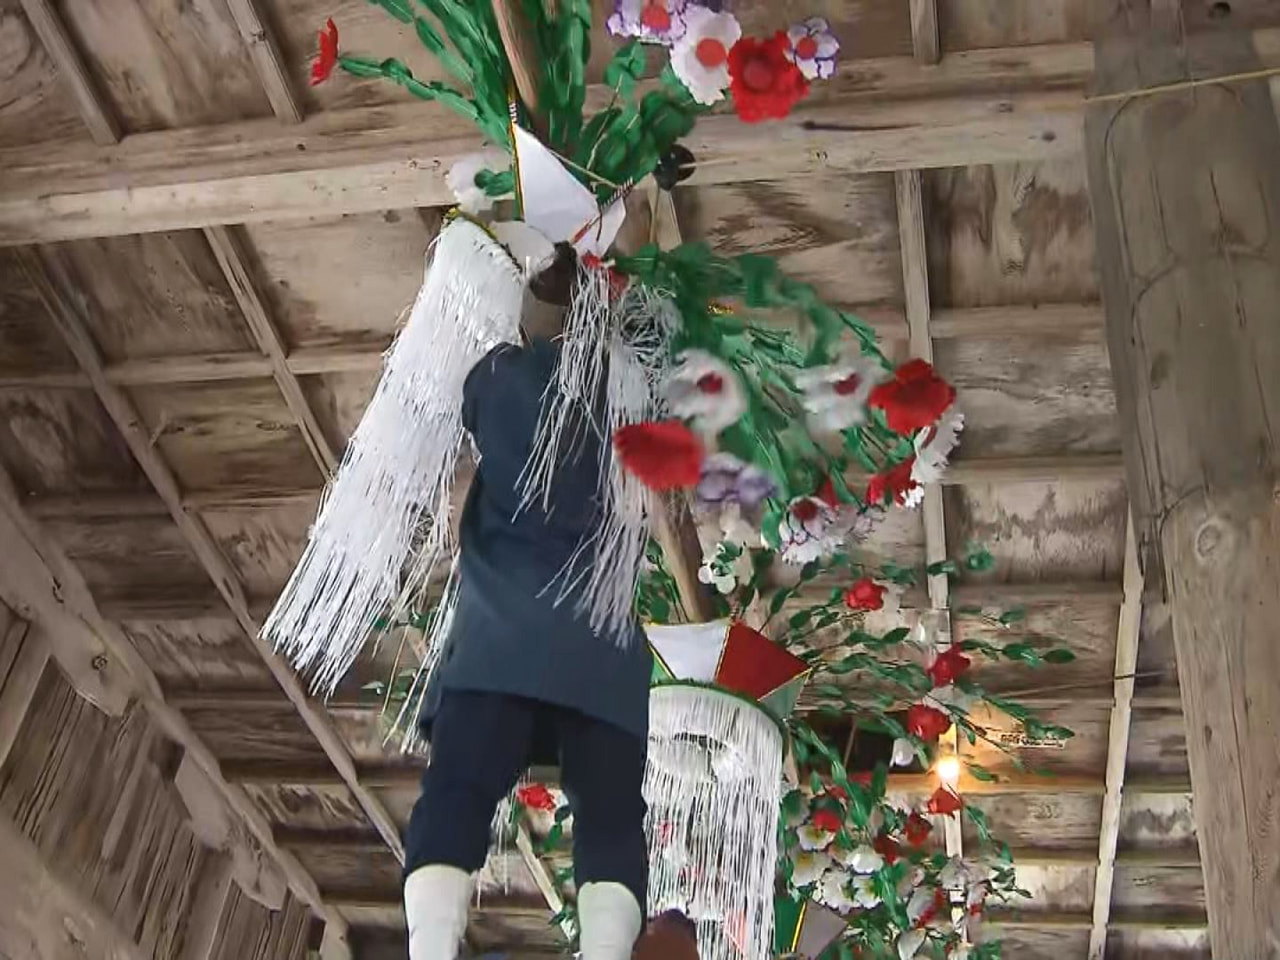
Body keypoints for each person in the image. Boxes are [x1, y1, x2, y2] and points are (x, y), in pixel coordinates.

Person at [402, 286, 654, 960]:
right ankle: (603, 947)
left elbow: (471, 400)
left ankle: (432, 943)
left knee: (462, 781)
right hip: (600, 651)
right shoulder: (630, 403)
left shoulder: (505, 382)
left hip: (503, 637)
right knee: (609, 808)